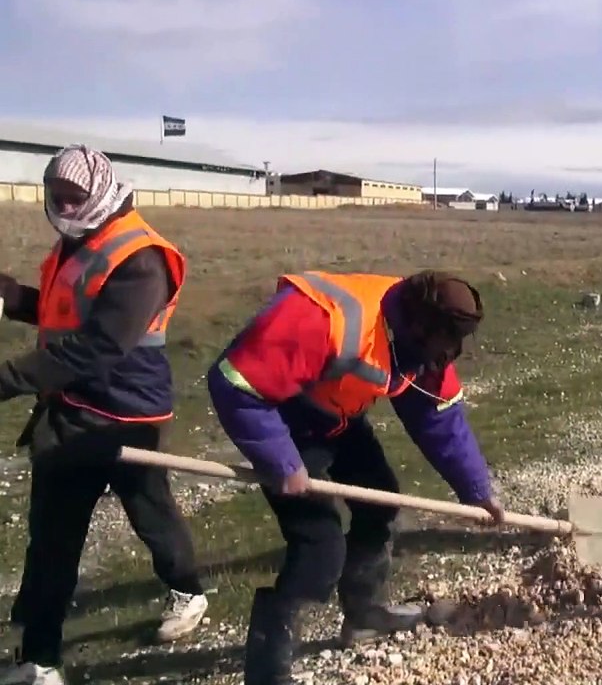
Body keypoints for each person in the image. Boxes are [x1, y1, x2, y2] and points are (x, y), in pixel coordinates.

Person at [205, 268, 504, 684]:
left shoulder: (423, 339)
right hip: (284, 422)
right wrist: (283, 462)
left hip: (337, 422)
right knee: (319, 546)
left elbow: (439, 416)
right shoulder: (323, 319)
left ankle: (364, 616)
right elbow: (234, 383)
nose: (449, 352)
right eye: (445, 342)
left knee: (380, 501)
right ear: (418, 325)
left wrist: (475, 489)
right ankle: (267, 669)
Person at [0, 145, 210, 685]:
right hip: (71, 404)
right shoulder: (79, 240)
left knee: (146, 508)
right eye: (57, 197)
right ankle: (40, 656)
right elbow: (61, 313)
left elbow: (97, 347)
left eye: (74, 198)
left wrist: (7, 380)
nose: (64, 207)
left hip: (123, 413)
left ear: (99, 192)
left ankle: (186, 591)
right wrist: (12, 297)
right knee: (54, 533)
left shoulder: (142, 259)